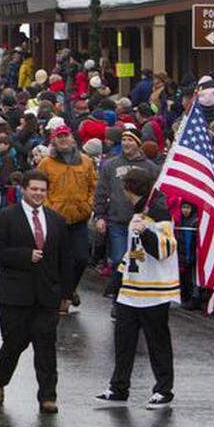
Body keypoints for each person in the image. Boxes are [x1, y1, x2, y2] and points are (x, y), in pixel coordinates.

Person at [95, 168, 177, 409]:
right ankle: (119, 387)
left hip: (154, 290)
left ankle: (164, 389)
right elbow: (132, 252)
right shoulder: (138, 212)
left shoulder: (158, 212)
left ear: (128, 188)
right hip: (131, 290)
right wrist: (117, 279)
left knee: (157, 342)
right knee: (123, 341)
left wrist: (147, 234)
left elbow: (165, 250)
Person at [0, 170, 66, 414]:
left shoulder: (56, 220)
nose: (39, 193)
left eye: (43, 190)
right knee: (14, 344)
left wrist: (65, 292)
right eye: (34, 189)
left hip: (46, 296)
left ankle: (47, 397)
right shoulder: (4, 218)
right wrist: (24, 255)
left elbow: (65, 259)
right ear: (23, 189)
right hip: (14, 296)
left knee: (46, 347)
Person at [37, 125, 97, 315]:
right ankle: (63, 296)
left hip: (79, 217)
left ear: (72, 138)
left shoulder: (86, 162)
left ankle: (69, 290)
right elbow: (38, 187)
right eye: (59, 136)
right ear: (53, 140)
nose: (63, 139)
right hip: (54, 219)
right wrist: (48, 208)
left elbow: (94, 186)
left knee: (80, 258)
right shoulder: (46, 163)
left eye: (66, 136)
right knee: (55, 260)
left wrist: (88, 205)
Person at [93, 128, 157, 300]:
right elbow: (101, 191)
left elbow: (156, 194)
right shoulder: (110, 165)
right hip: (118, 222)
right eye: (124, 140)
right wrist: (99, 215)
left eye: (130, 140)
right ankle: (119, 300)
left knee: (139, 263)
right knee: (119, 259)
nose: (126, 143)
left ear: (138, 143)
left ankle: (136, 300)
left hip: (142, 224)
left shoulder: (150, 168)